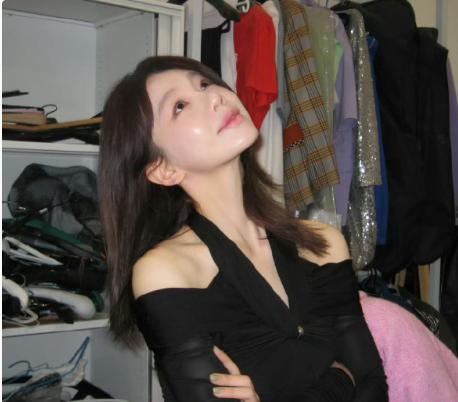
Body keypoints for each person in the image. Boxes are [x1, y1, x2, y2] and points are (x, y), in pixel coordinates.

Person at [99, 55, 391, 401]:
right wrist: (341, 379)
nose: (215, 96)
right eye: (179, 106)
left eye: (205, 84)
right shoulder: (167, 271)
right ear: (163, 169)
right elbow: (354, 378)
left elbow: (372, 386)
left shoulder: (323, 243)